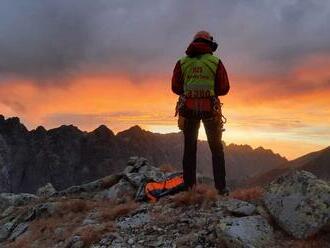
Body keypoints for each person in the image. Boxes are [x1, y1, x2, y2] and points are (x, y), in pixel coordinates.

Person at [171, 31, 230, 195]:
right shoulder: (215, 62)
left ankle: (189, 187)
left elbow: (175, 88)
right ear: (209, 44)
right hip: (210, 109)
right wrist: (209, 91)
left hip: (188, 109)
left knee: (189, 149)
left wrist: (190, 90)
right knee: (216, 149)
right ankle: (221, 188)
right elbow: (224, 88)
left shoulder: (182, 62)